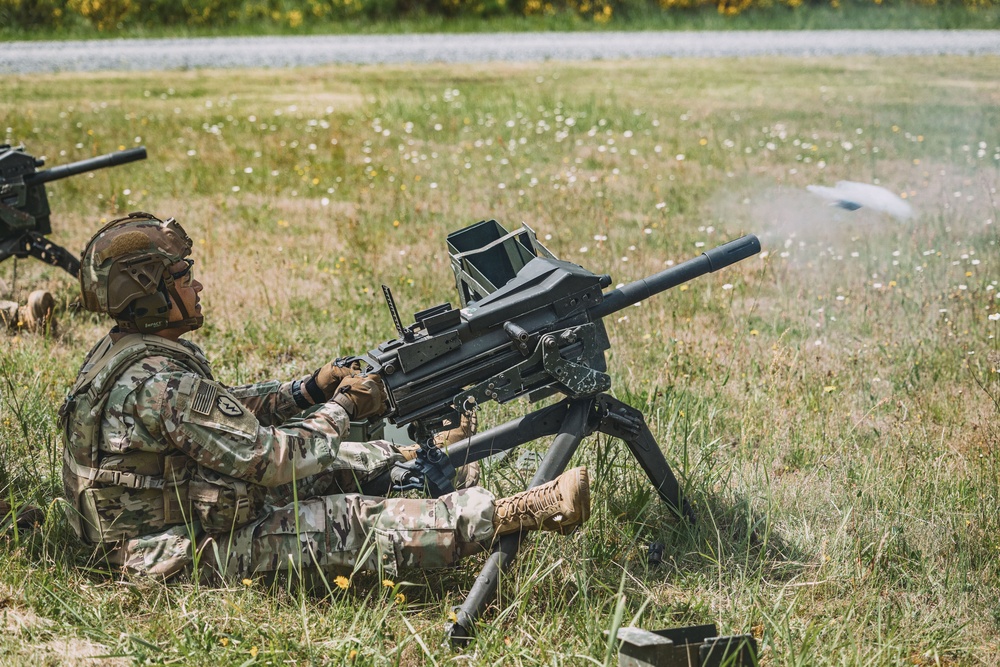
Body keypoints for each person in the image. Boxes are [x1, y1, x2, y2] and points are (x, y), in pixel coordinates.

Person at [60, 211, 590, 582]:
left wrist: (306, 391)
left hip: (170, 521)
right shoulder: (161, 382)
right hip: (165, 554)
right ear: (148, 291)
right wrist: (344, 407)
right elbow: (273, 459)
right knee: (342, 520)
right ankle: (510, 512)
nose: (197, 287)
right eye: (183, 276)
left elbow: (222, 413)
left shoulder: (128, 355)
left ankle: (425, 468)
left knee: (338, 457)